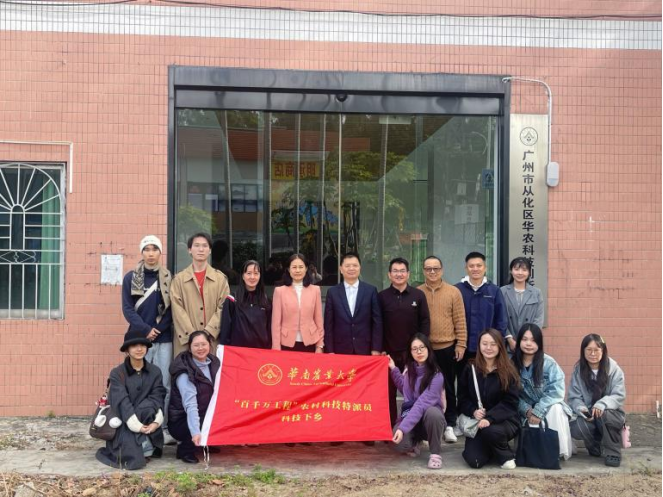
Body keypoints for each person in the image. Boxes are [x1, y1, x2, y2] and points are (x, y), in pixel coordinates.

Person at [121, 235, 174, 443]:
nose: (151, 254)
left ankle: (163, 427)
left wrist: (158, 329)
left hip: (164, 338)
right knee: (138, 383)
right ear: (141, 252)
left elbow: (172, 309)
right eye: (147, 249)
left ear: (160, 252)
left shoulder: (169, 278)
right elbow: (127, 309)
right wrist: (146, 330)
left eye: (154, 249)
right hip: (139, 339)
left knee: (164, 384)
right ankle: (138, 426)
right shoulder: (130, 278)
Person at [96, 330, 166, 470]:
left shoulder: (155, 371)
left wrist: (156, 422)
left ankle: (148, 444)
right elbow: (122, 401)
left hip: (147, 418)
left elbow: (158, 396)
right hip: (125, 421)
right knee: (132, 458)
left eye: (142, 345)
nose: (139, 349)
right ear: (127, 350)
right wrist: (136, 426)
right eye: (134, 346)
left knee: (148, 407)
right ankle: (139, 446)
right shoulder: (117, 373)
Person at [419, 255, 467, 443]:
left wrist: (461, 344)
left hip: (447, 347)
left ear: (442, 270)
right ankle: (426, 426)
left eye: (436, 268)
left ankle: (449, 425)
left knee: (447, 387)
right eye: (428, 268)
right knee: (424, 387)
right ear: (423, 271)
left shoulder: (453, 292)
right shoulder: (418, 292)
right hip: (425, 349)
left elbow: (460, 320)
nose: (432, 272)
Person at [457, 328, 520, 469]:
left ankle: (506, 455)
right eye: (484, 344)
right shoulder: (470, 368)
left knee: (490, 431)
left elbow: (511, 402)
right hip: (478, 422)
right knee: (474, 460)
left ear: (500, 346)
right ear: (479, 345)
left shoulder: (509, 370)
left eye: (493, 344)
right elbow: (462, 398)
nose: (488, 348)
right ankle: (492, 448)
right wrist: (473, 411)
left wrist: (490, 418)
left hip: (504, 420)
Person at [379, 257, 430, 427]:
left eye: (402, 271)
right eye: (395, 271)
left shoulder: (418, 295)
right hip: (388, 355)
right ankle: (388, 427)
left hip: (413, 354)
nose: (399, 274)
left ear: (408, 274)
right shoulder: (382, 297)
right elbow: (377, 324)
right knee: (388, 393)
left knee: (414, 391)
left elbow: (425, 322)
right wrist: (380, 348)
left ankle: (414, 429)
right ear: (389, 274)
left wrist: (421, 349)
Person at [512, 323, 573, 460]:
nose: (528, 344)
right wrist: (526, 410)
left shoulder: (549, 363)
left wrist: (538, 410)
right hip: (525, 412)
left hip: (547, 406)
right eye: (525, 339)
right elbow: (511, 395)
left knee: (557, 408)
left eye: (533, 340)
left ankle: (557, 452)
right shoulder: (512, 364)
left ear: (539, 343)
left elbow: (557, 391)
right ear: (519, 341)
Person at [568, 334, 626, 467]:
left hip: (611, 413)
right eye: (589, 350)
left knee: (605, 415)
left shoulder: (614, 369)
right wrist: (582, 409)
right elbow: (574, 397)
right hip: (590, 415)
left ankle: (613, 453)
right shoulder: (578, 370)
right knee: (576, 427)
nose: (592, 354)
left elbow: (619, 395)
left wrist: (602, 404)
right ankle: (594, 446)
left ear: (603, 350)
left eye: (596, 350)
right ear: (583, 351)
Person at [390, 333, 446, 470]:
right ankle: (415, 441)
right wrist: (393, 368)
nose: (419, 352)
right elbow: (404, 387)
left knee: (433, 413)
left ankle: (435, 453)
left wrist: (403, 428)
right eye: (414, 349)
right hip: (413, 417)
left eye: (422, 347)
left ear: (428, 349)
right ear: (410, 352)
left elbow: (421, 404)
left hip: (429, 420)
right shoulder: (410, 371)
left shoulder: (437, 375)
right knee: (399, 445)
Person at [171, 232, 230, 357]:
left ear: (210, 250)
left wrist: (208, 332)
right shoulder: (179, 279)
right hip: (186, 341)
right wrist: (193, 336)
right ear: (189, 250)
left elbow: (223, 307)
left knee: (212, 369)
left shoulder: (220, 279)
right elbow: (177, 309)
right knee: (185, 369)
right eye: (196, 245)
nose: (201, 249)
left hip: (211, 340)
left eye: (204, 246)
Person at [168, 330, 221, 464]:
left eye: (203, 344)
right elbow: (190, 405)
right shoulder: (184, 372)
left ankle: (205, 442)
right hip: (182, 420)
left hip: (203, 413)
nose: (200, 348)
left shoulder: (214, 363)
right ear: (189, 348)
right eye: (196, 345)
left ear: (210, 345)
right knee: (203, 419)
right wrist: (195, 432)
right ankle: (185, 449)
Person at [455, 252, 508, 370]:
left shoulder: (494, 290)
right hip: (462, 348)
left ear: (485, 268)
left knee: (486, 378)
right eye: (471, 266)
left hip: (487, 349)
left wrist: (495, 343)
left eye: (479, 265)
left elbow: (501, 320)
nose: (475, 269)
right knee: (464, 378)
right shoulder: (457, 290)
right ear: (466, 268)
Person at [324, 252, 383, 356]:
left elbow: (377, 322)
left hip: (365, 348)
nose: (351, 268)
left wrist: (376, 348)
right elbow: (328, 324)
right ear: (341, 269)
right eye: (347, 266)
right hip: (340, 349)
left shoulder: (371, 291)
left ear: (360, 268)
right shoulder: (332, 292)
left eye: (355, 265)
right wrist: (330, 350)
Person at [271, 253, 324, 353]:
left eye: (301, 267)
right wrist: (276, 348)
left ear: (306, 268)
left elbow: (319, 320)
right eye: (294, 267)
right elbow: (276, 323)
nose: (298, 270)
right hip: (286, 342)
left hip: (311, 341)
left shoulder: (315, 290)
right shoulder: (279, 291)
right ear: (288, 269)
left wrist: (320, 345)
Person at [219, 260, 272, 349]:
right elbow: (225, 330)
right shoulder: (232, 300)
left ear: (260, 276)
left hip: (261, 351)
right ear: (243, 276)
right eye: (249, 273)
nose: (252, 277)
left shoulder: (266, 301)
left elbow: (269, 329)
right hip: (238, 352)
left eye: (256, 273)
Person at [500, 257, 544, 352]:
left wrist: (527, 340)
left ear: (529, 272)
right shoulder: (502, 291)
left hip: (529, 344)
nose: (520, 273)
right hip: (508, 344)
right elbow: (500, 318)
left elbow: (538, 319)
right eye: (516, 269)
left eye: (524, 270)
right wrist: (510, 339)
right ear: (511, 271)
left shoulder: (536, 293)